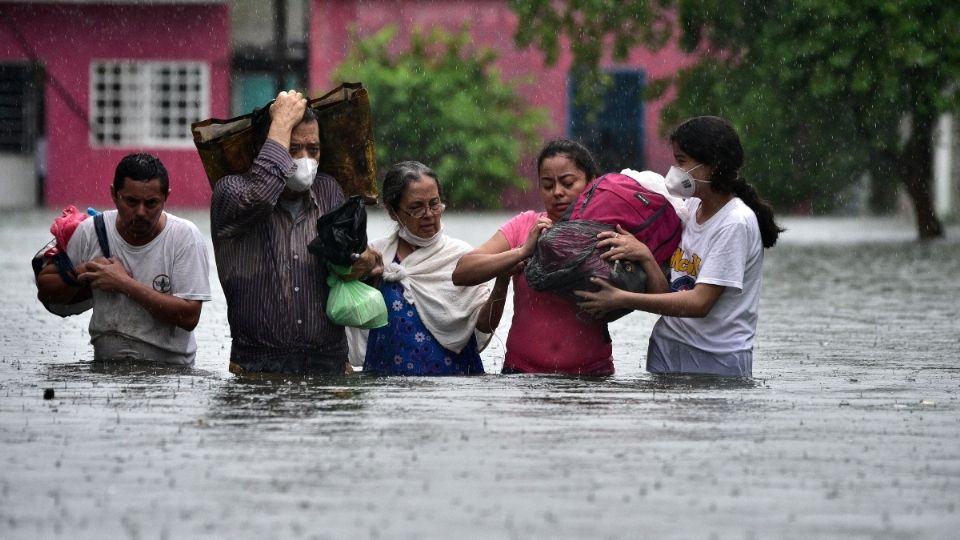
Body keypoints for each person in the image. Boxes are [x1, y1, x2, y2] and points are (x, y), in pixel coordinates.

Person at [575, 116, 784, 378]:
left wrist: (621, 299)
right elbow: (670, 293)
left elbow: (699, 303)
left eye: (681, 161)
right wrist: (645, 255)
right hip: (666, 352)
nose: (674, 169)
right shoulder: (692, 207)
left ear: (713, 165)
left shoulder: (734, 223)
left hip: (716, 363)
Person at [453, 139, 664, 376]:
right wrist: (521, 252)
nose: (557, 192)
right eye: (547, 184)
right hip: (522, 375)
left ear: (592, 183)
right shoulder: (526, 226)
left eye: (568, 183)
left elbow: (662, 304)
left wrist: (645, 256)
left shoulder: (611, 232)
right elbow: (461, 272)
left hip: (593, 379)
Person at [211, 90, 382, 376]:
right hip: (258, 368)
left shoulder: (328, 190)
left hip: (329, 364)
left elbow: (349, 255)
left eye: (312, 150)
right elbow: (261, 196)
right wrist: (279, 124)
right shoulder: (230, 191)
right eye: (292, 148)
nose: (304, 160)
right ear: (264, 148)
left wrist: (363, 262)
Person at [36, 154, 212, 365]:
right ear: (114, 194)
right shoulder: (91, 231)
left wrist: (123, 283)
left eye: (151, 203)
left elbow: (190, 316)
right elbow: (47, 292)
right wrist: (83, 271)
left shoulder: (185, 237)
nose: (140, 212)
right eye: (131, 201)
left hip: (170, 372)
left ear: (166, 197)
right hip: (105, 369)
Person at [347, 161, 509, 375]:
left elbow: (484, 327)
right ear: (393, 211)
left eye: (434, 204)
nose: (429, 214)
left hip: (454, 392)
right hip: (388, 393)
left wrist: (503, 279)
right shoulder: (375, 257)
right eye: (416, 207)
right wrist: (362, 279)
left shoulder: (462, 258)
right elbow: (344, 311)